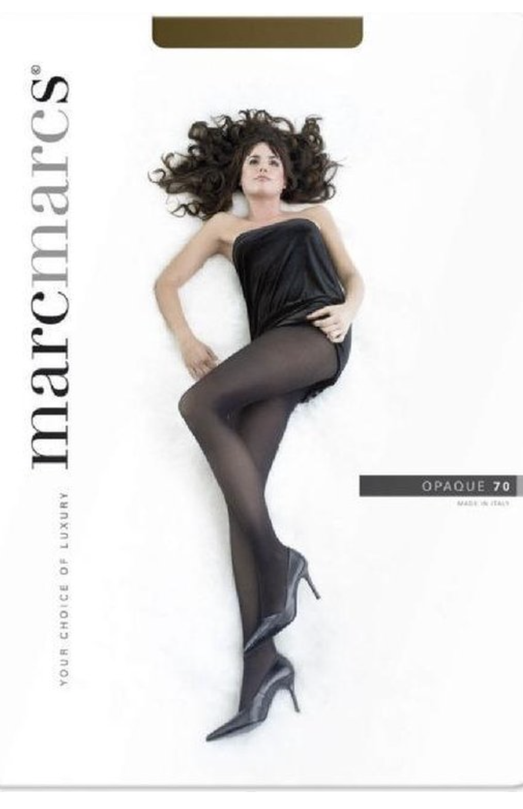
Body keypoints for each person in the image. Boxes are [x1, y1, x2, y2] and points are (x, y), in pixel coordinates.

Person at [150, 109, 365, 740]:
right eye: (253, 161)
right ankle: (262, 671)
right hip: (274, 351)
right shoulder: (225, 229)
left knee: (197, 405)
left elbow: (352, 276)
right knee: (241, 504)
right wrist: (187, 338)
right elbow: (167, 283)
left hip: (315, 334)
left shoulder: (313, 216)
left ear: (286, 176)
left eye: (273, 160)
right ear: (240, 178)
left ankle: (280, 559)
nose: (264, 166)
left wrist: (348, 312)